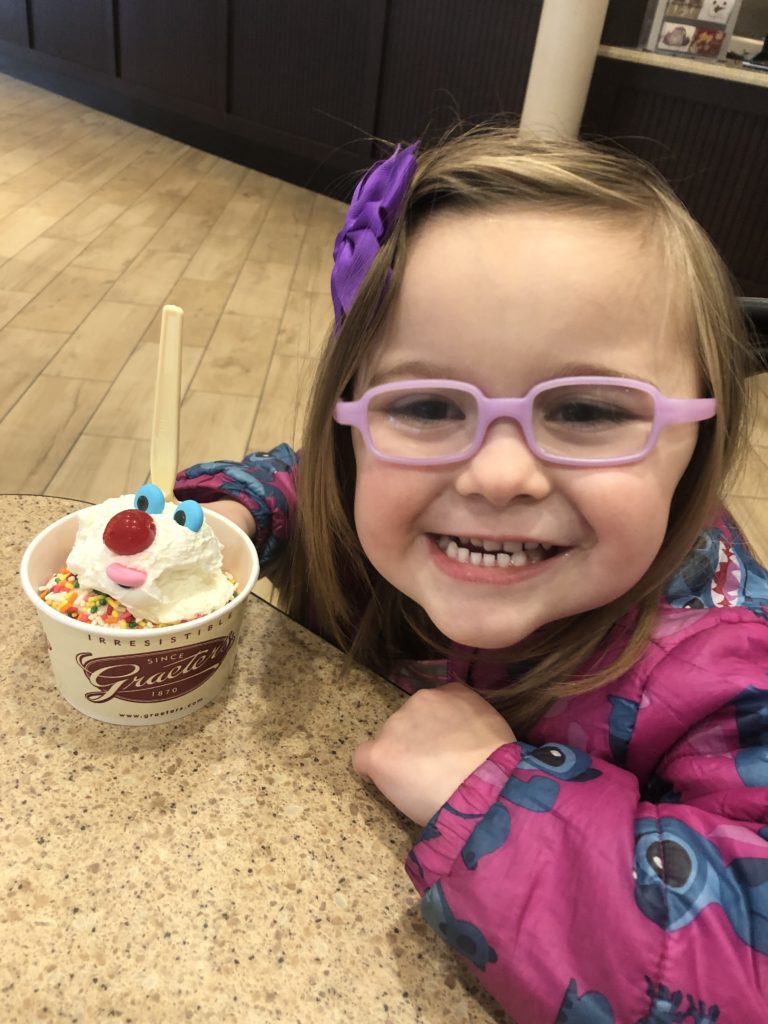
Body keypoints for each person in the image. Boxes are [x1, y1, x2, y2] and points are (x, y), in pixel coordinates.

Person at [176, 127, 768, 1022]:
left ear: (696, 448)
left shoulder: (730, 669)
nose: (497, 476)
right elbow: (306, 480)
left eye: (587, 410)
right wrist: (233, 516)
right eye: (423, 405)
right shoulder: (373, 498)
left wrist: (486, 792)